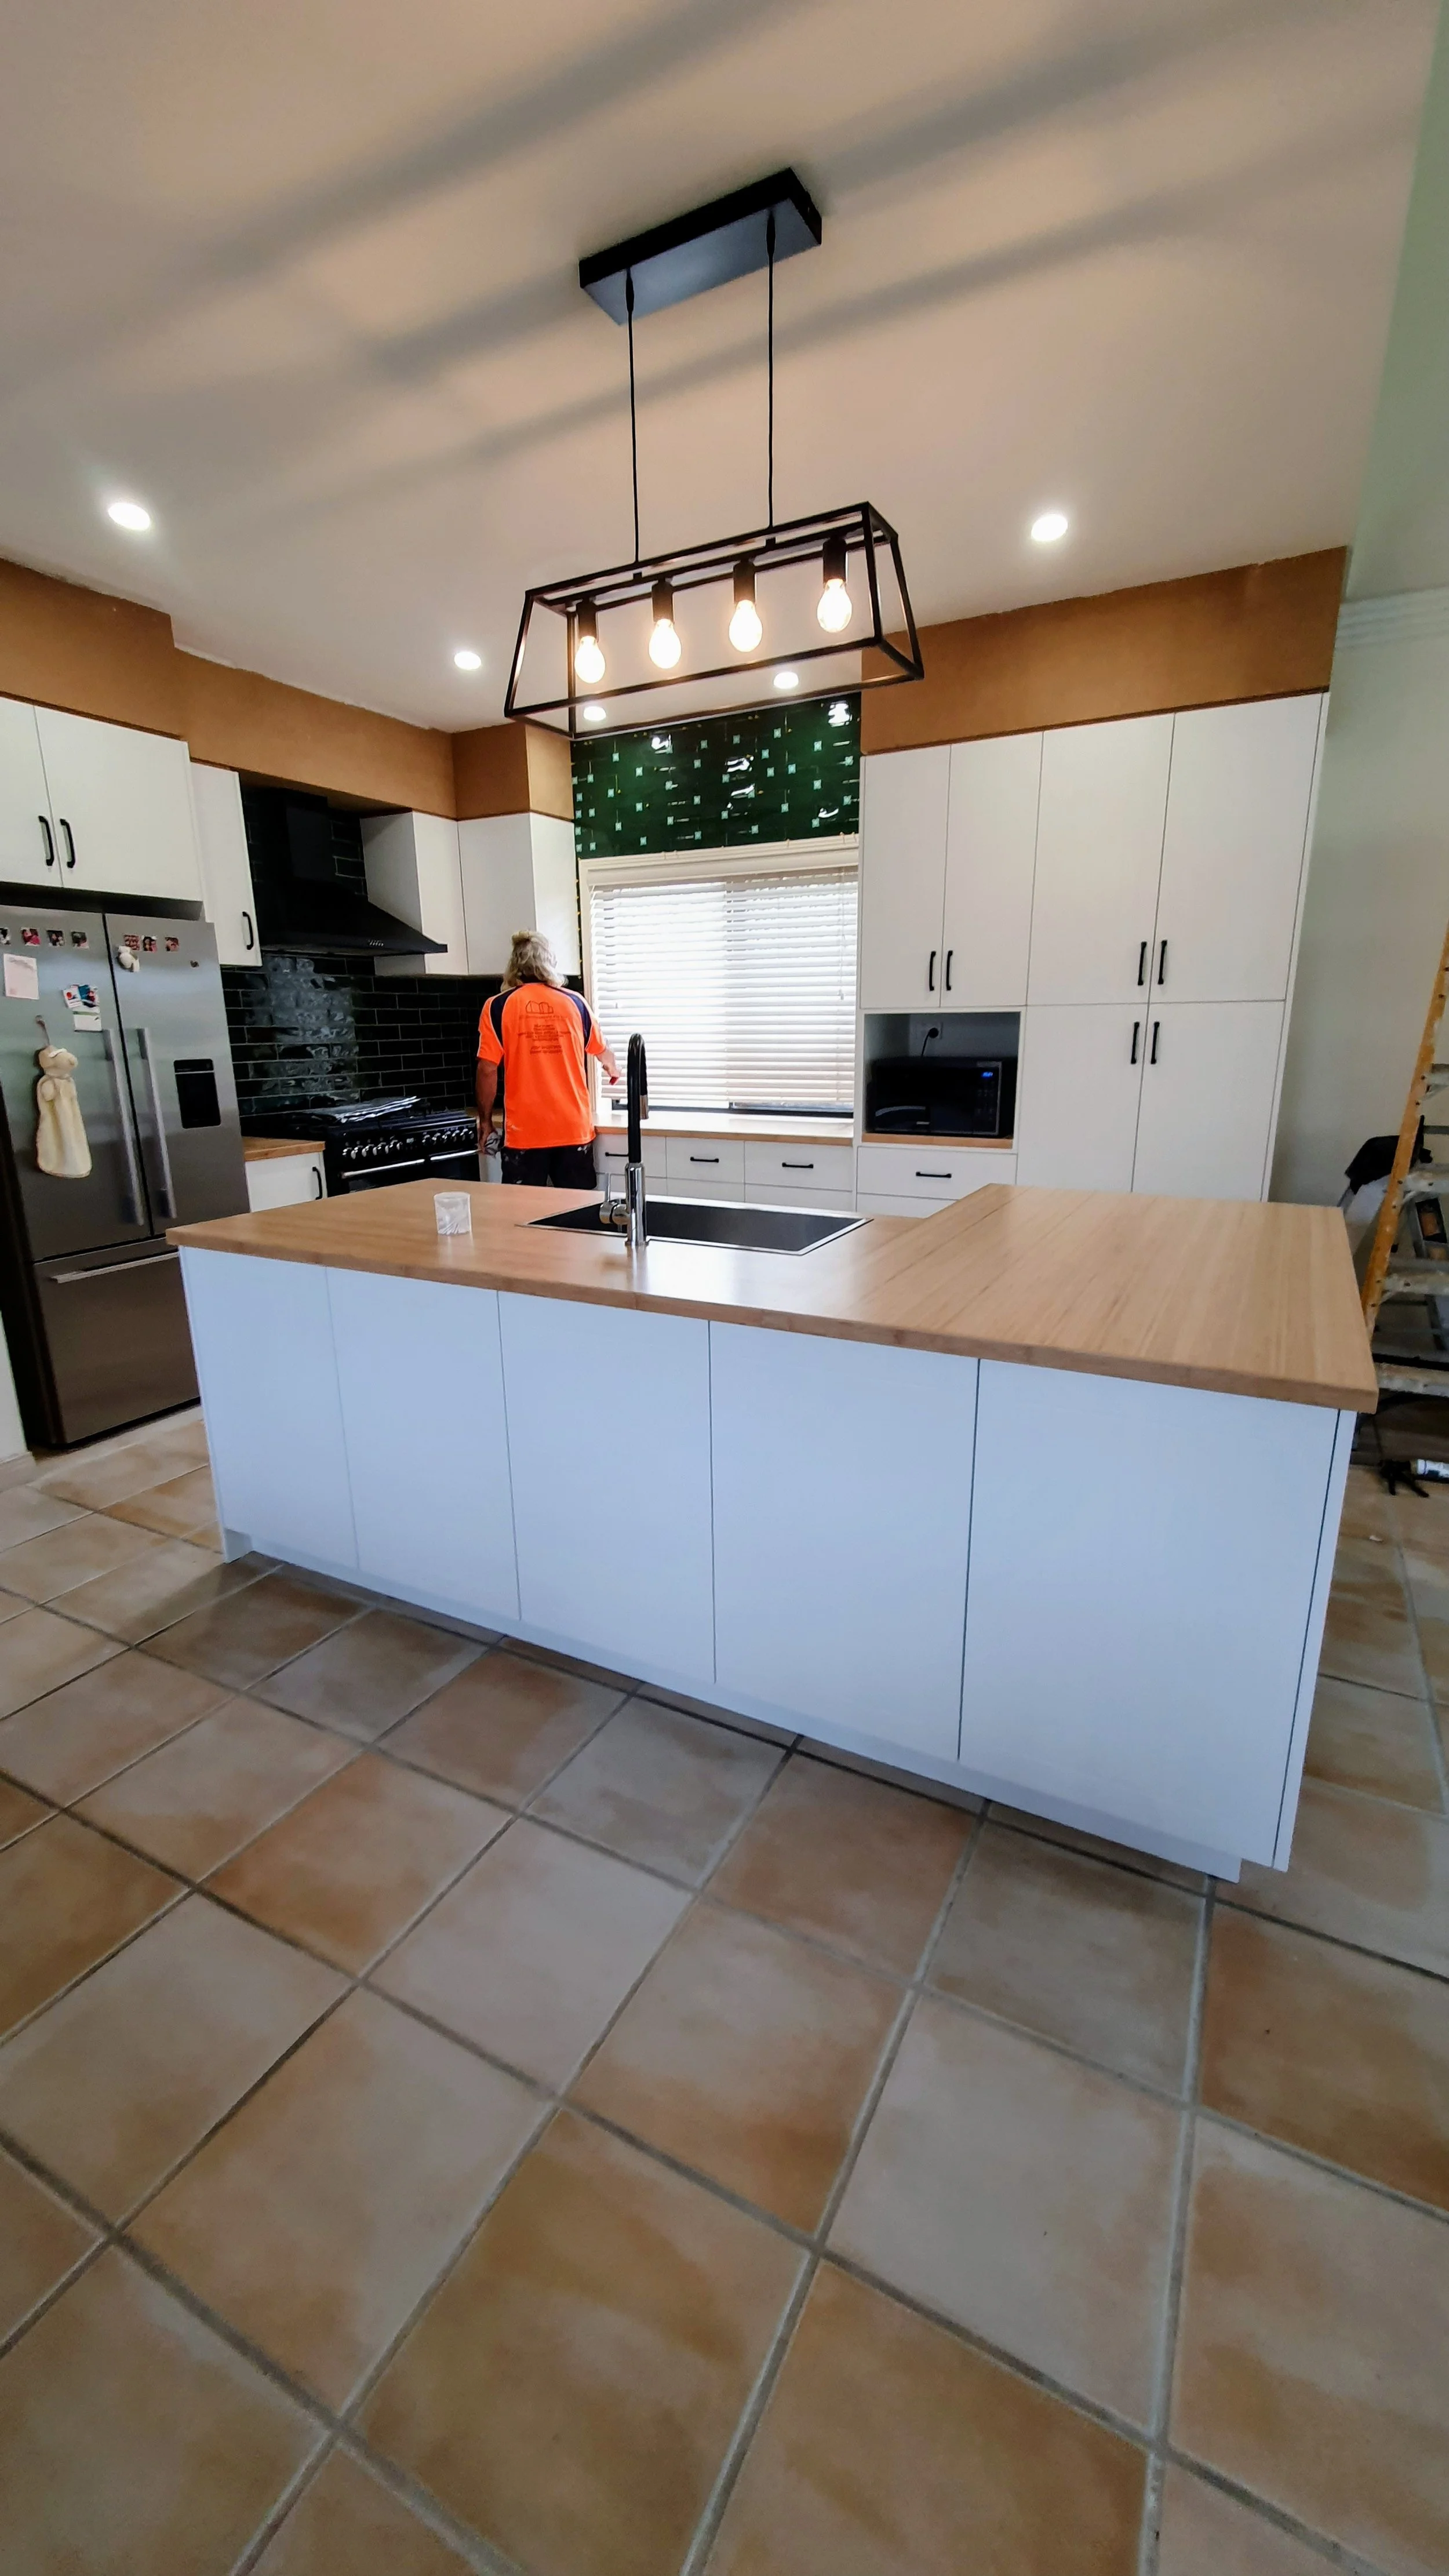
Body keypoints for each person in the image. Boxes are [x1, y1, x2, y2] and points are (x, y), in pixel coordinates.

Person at [476, 930, 620, 1188]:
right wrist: (613, 1068)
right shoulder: (576, 1003)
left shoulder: (497, 1007)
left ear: (514, 966)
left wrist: (485, 1121)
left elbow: (487, 1070)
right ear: (549, 963)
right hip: (573, 1130)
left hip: (525, 1136)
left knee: (523, 1219)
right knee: (579, 1216)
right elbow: (603, 1052)